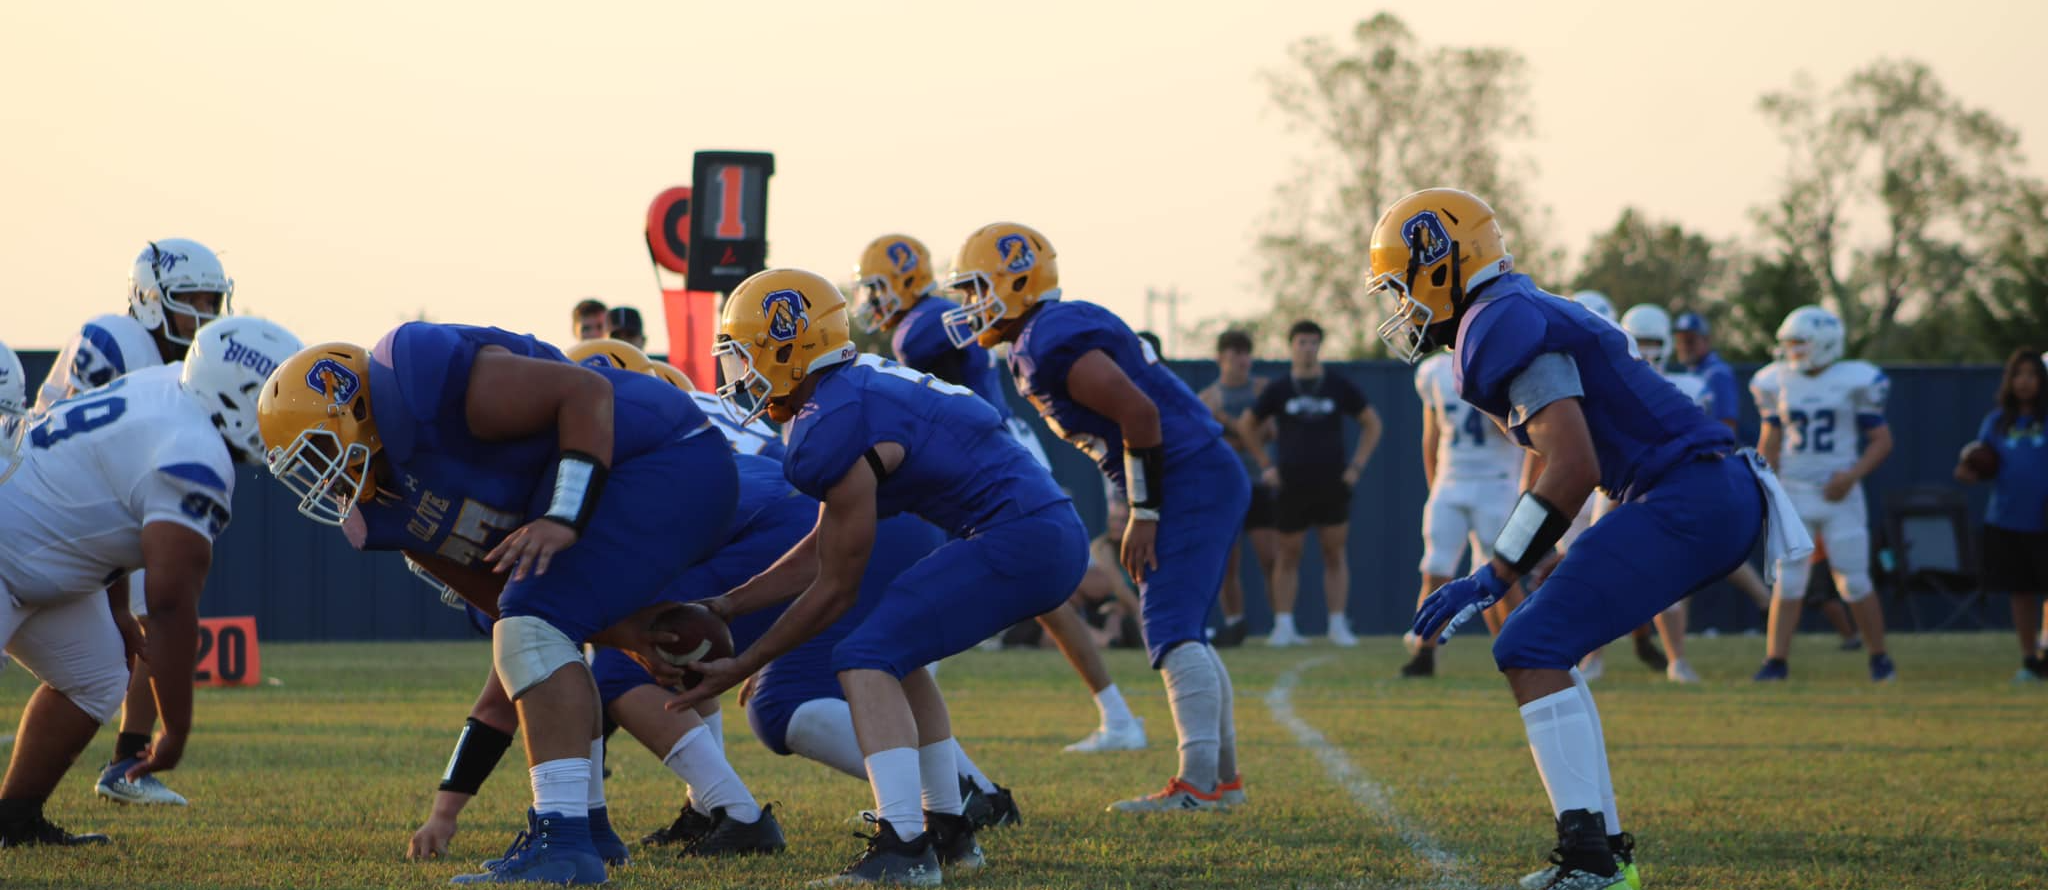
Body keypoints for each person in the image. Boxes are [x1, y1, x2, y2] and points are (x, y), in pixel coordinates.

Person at [1376, 188, 1807, 890]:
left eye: (1402, 286)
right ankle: (1604, 855)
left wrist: (1495, 573)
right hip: (1697, 490)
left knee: (1528, 643)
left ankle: (1590, 862)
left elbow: (1574, 465)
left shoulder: (1497, 322)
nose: (1401, 306)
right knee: (1547, 643)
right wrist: (1519, 555)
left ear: (1440, 263)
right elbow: (1558, 461)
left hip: (1686, 493)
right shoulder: (1510, 308)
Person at [259, 323, 740, 886]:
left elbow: (586, 393)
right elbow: (502, 594)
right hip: (620, 491)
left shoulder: (421, 384)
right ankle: (587, 828)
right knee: (533, 628)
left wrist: (562, 515)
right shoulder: (381, 513)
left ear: (356, 411)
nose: (321, 476)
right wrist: (624, 634)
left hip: (663, 456)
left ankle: (562, 842)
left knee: (530, 626)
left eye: (319, 452)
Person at [672, 268, 1089, 884]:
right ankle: (949, 832)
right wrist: (730, 605)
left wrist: (746, 659)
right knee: (901, 653)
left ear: (784, 345)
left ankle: (904, 846)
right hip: (1038, 527)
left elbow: (837, 587)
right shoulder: (853, 389)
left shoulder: (829, 419)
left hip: (1018, 535)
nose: (737, 378)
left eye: (742, 357)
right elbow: (821, 549)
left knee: (864, 654)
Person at [942, 223, 1249, 814]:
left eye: (978, 288)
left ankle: (1198, 786)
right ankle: (1220, 783)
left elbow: (1140, 413)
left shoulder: (1049, 336)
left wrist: (1145, 510)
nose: (969, 305)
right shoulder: (1047, 331)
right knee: (1181, 623)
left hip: (1189, 476)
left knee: (1170, 623)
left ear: (1015, 283)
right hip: (1194, 471)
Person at [0, 317, 300, 848]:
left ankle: (13, 822)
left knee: (95, 676)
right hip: (9, 547)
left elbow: (103, 499)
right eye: (271, 399)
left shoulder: (165, 385)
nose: (285, 419)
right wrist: (176, 729)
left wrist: (116, 607)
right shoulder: (195, 455)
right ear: (236, 398)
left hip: (34, 554)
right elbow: (169, 604)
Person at [852, 234, 1145, 754]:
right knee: (1044, 598)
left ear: (903, 280)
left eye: (876, 288)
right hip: (997, 452)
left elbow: (929, 352)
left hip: (989, 458)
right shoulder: (934, 319)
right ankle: (1118, 716)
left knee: (926, 591)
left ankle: (925, 752)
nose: (870, 301)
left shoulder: (922, 325)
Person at [33, 239, 234, 808]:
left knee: (148, 627)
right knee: (151, 618)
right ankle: (126, 761)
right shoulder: (115, 340)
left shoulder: (179, 363)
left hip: (99, 511)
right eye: (191, 298)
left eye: (212, 300)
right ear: (149, 299)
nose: (205, 314)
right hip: (55, 511)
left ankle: (126, 759)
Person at [1749, 305, 1896, 683]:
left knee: (1854, 580)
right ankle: (1775, 661)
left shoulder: (1855, 381)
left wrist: (1851, 476)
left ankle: (1879, 658)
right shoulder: (1776, 381)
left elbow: (1881, 441)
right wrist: (1767, 484)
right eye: (1789, 343)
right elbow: (1772, 437)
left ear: (1825, 343)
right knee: (1789, 581)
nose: (1792, 351)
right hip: (1795, 492)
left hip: (1839, 494)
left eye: (1799, 343)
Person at [1240, 320, 1383, 647]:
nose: (1307, 348)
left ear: (1320, 346)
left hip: (1332, 481)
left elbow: (1372, 423)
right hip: (1291, 483)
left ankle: (1337, 624)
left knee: (1334, 553)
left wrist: (1356, 467)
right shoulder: (1278, 389)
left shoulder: (1337, 385)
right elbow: (1247, 425)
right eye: (1302, 342)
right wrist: (1266, 465)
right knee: (1287, 555)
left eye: (1313, 342)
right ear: (1291, 346)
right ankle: (1284, 625)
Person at [1404, 346, 1525, 678]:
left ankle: (1523, 649)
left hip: (1496, 481)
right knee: (1435, 569)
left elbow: (1522, 434)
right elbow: (1432, 436)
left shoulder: (1505, 362)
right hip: (1451, 480)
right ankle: (1423, 655)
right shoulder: (1433, 372)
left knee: (1503, 574)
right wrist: (1436, 484)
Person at [1619, 305, 1713, 683]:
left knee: (1671, 579)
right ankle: (1588, 659)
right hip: (1617, 487)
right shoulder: (1609, 384)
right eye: (1639, 341)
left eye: (1653, 342)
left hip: (1668, 487)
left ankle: (1677, 659)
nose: (1646, 349)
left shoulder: (1690, 388)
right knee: (1591, 570)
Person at [1668, 311, 1778, 624]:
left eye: (1691, 340)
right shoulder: (1690, 373)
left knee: (1691, 544)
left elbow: (1726, 424)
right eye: (1680, 340)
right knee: (1702, 545)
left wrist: (1711, 460)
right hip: (1695, 463)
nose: (1685, 346)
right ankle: (1766, 604)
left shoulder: (1716, 373)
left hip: (1710, 463)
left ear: (1706, 341)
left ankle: (1767, 604)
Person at [1955, 348, 2048, 681]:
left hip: (2044, 517)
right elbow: (1982, 461)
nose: (2025, 382)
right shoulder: (1997, 421)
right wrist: (1970, 470)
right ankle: (2029, 660)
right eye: (2018, 374)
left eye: (2032, 374)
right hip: (2007, 517)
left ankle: (2046, 648)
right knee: (2020, 592)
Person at [1197, 330, 1274, 648]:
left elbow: (1270, 431)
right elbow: (1210, 443)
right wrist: (1245, 436)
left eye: (1246, 353)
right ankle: (1234, 623)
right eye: (1234, 354)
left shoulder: (1261, 389)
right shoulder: (1207, 398)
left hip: (1258, 484)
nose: (1242, 361)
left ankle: (1281, 625)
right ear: (1220, 358)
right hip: (1225, 487)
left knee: (1270, 557)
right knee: (1228, 561)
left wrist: (1238, 433)